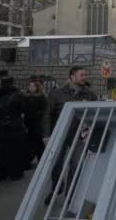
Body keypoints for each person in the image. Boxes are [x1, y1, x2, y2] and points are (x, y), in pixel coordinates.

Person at [44, 66, 97, 205]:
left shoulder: (89, 94)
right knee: (56, 164)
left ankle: (70, 197)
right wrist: (46, 135)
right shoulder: (57, 93)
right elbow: (47, 115)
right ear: (72, 77)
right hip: (59, 134)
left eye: (85, 74)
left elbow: (96, 114)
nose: (84, 77)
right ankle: (56, 188)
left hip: (79, 136)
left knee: (76, 165)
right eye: (81, 75)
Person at [0, 77, 29, 181]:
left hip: (0, 125)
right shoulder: (19, 95)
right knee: (16, 150)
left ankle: (1, 173)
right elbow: (25, 109)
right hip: (16, 125)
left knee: (1, 150)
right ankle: (16, 173)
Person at [23, 79, 48, 163]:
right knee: (30, 142)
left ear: (37, 87)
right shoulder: (25, 97)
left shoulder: (41, 97)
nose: (31, 88)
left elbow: (44, 109)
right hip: (27, 122)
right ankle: (29, 159)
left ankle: (41, 159)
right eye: (30, 86)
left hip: (37, 122)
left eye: (33, 86)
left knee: (38, 142)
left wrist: (38, 114)